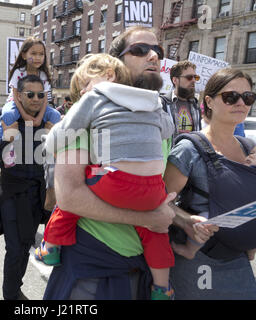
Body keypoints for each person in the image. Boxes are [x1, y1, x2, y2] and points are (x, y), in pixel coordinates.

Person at [43, 26, 211, 300]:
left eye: (157, 50)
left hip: (143, 269)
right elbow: (70, 197)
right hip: (93, 272)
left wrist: (184, 220)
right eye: (140, 50)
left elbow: (155, 194)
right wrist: (148, 218)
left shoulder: (157, 117)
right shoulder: (89, 112)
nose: (153, 56)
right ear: (116, 64)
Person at [37, 53, 176, 299]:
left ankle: (50, 246)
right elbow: (168, 129)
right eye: (140, 50)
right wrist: (152, 216)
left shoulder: (95, 99)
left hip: (114, 187)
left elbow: (68, 197)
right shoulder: (154, 104)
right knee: (157, 232)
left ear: (109, 75)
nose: (82, 93)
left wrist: (48, 143)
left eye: (84, 85)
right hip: (99, 259)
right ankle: (163, 288)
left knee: (72, 198)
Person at [163, 68, 256, 299]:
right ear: (209, 101)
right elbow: (159, 202)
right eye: (230, 96)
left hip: (239, 259)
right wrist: (187, 221)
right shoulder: (188, 149)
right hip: (200, 260)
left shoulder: (249, 147)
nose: (241, 103)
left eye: (248, 97)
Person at [0, 75, 58, 300]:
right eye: (30, 94)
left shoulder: (51, 121)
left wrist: (55, 136)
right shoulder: (7, 119)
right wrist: (7, 137)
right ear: (19, 96)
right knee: (14, 248)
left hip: (37, 194)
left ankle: (15, 287)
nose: (35, 99)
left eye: (40, 95)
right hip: (12, 193)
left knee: (25, 244)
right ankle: (11, 294)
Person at [0, 37, 60, 140]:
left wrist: (39, 118)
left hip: (38, 104)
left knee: (55, 114)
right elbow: (15, 96)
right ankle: (2, 139)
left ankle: (50, 143)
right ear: (24, 55)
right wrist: (25, 116)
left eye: (41, 54)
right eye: (33, 54)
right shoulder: (18, 72)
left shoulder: (43, 75)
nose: (37, 57)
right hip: (16, 103)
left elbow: (45, 99)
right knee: (7, 113)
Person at [161, 61, 202, 142]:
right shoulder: (163, 103)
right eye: (189, 77)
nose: (194, 80)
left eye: (196, 77)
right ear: (175, 80)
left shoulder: (195, 105)